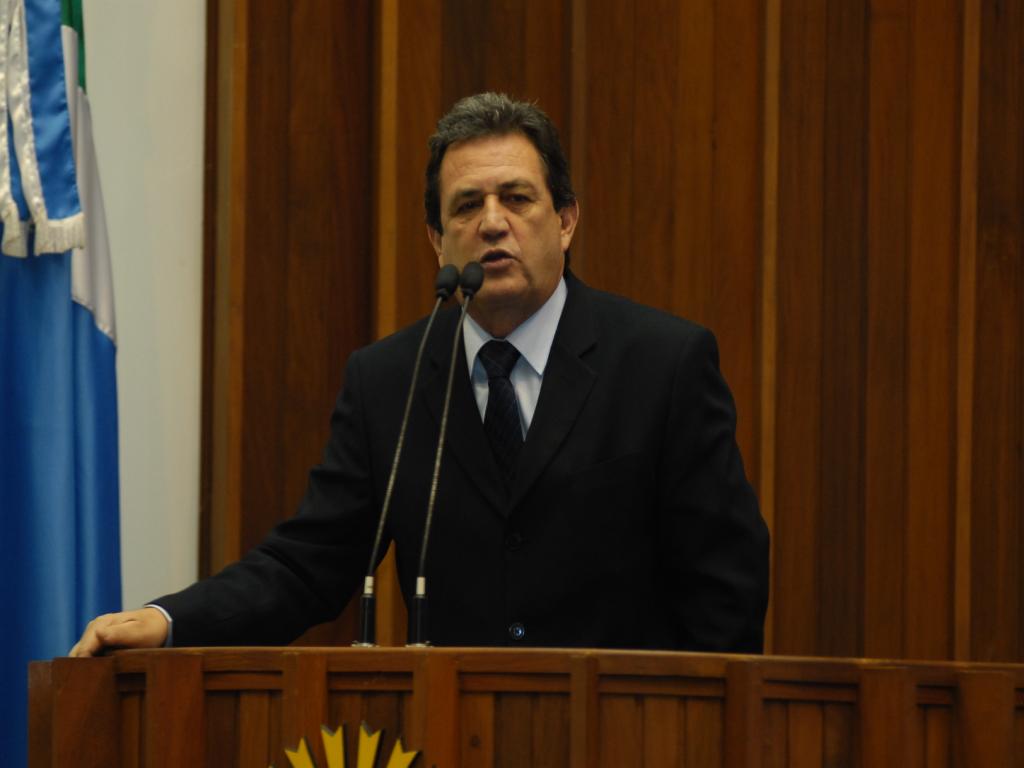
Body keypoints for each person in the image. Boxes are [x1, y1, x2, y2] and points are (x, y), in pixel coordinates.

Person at [71, 92, 768, 657]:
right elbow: (308, 563)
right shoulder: (389, 382)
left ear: (565, 220)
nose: (492, 223)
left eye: (517, 198)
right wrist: (169, 620)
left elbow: (725, 587)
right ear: (437, 240)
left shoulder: (662, 364)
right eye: (467, 205)